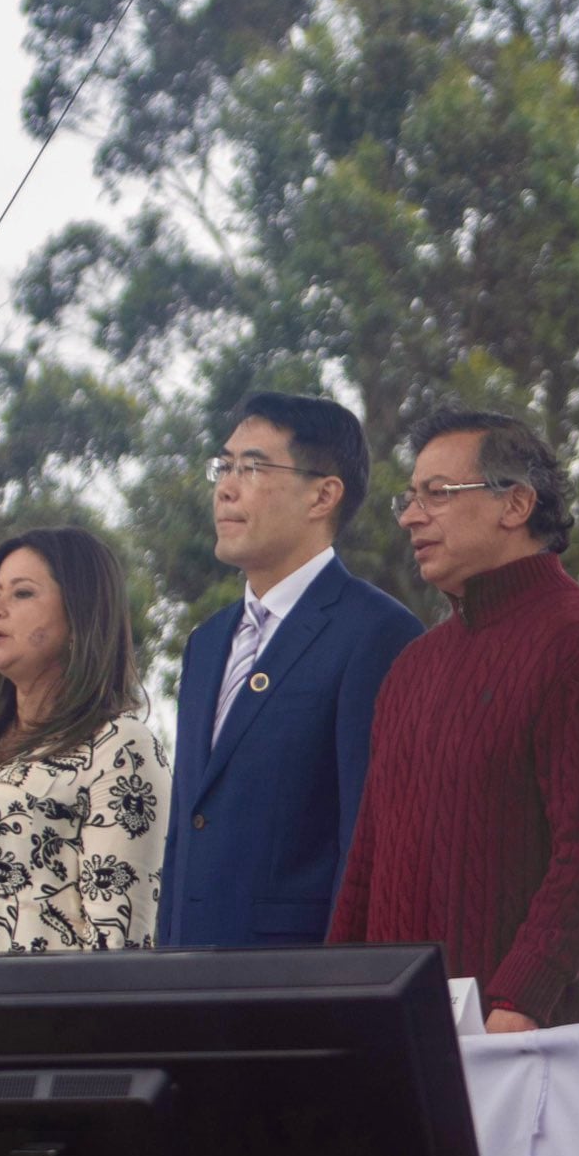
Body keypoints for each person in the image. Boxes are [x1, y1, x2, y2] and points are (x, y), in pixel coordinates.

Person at [328, 409, 579, 1030]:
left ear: (516, 504)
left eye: (437, 495)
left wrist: (518, 1004)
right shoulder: (413, 667)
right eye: (410, 499)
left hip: (517, 1047)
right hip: (400, 1041)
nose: (413, 517)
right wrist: (339, 1006)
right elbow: (366, 865)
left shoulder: (578, 643)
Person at [160, 392, 422, 946]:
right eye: (224, 466)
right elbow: (186, 833)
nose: (226, 487)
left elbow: (368, 840)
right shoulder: (206, 644)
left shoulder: (375, 633)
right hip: (188, 983)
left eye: (252, 468)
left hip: (296, 987)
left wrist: (341, 989)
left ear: (323, 495)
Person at [0, 526, 171, 954]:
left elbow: (119, 941)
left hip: (39, 1013)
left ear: (79, 616)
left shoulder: (120, 746)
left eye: (22, 594)